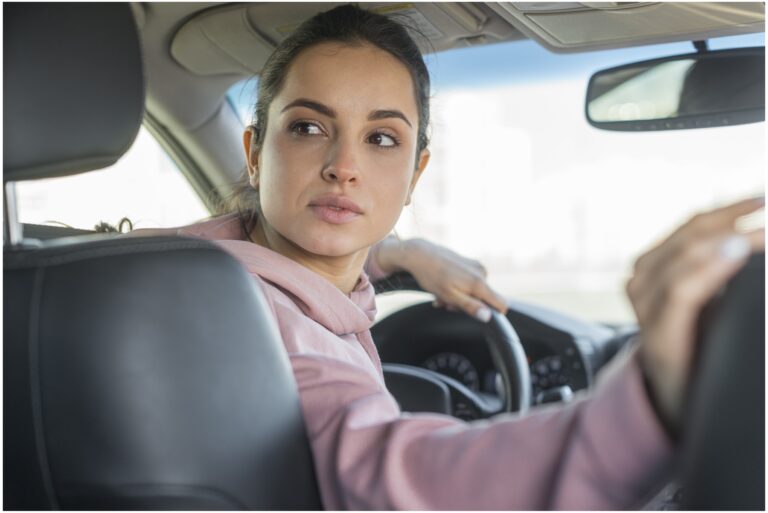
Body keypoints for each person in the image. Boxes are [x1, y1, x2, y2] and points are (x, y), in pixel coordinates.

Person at [132, 5, 764, 509]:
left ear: (415, 174)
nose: (343, 168)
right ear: (253, 151)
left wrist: (394, 253)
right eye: (308, 127)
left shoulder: (151, 273)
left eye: (381, 139)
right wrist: (649, 401)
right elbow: (404, 477)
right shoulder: (262, 336)